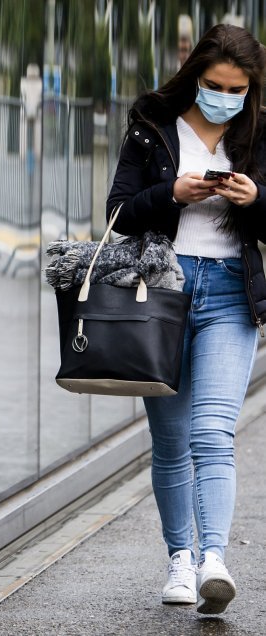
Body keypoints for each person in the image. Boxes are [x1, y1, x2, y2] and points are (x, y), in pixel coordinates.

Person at [107, 23, 266, 615]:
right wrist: (172, 193)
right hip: (163, 296)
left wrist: (257, 200)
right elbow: (119, 212)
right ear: (194, 75)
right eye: (214, 84)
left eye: (237, 89)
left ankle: (214, 560)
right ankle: (180, 558)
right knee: (171, 440)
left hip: (230, 293)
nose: (225, 96)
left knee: (213, 431)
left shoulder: (259, 133)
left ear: (251, 89)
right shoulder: (152, 126)